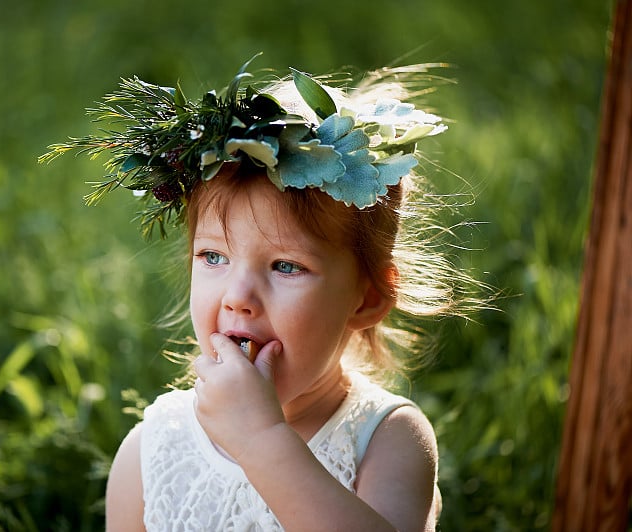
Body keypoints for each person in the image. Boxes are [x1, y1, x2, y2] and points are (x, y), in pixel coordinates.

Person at [42, 55, 474, 531]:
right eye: (213, 257)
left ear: (367, 298)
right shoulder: (152, 451)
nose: (238, 296)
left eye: (286, 265)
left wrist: (262, 440)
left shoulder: (388, 440)